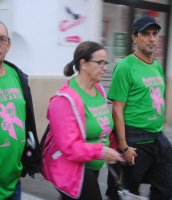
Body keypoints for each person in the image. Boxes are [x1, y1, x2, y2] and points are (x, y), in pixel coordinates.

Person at [41, 41, 128, 200]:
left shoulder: (99, 89)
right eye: (99, 62)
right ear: (83, 64)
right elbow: (69, 147)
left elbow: (104, 127)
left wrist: (119, 149)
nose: (105, 67)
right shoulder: (63, 100)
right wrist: (101, 151)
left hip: (92, 167)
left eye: (106, 62)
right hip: (72, 171)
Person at [106, 16, 172, 200]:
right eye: (146, 34)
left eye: (155, 34)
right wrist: (124, 147)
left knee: (167, 187)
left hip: (156, 140)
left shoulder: (157, 67)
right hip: (134, 142)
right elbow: (117, 110)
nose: (152, 38)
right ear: (134, 38)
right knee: (126, 193)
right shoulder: (125, 67)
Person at [0, 21, 41, 199]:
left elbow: (27, 121)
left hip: (13, 181)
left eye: (1, 39)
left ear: (8, 45)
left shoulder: (17, 75)